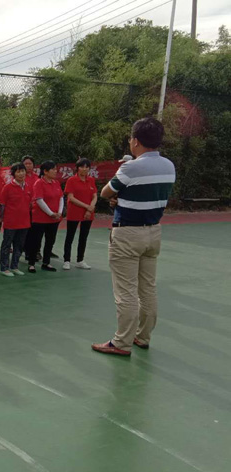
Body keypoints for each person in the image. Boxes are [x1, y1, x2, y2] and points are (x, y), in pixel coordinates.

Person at [92, 117, 175, 356]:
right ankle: (143, 336)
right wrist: (123, 198)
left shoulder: (131, 167)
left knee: (126, 291)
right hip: (153, 232)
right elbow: (146, 194)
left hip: (128, 233)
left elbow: (105, 191)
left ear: (136, 141)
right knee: (147, 288)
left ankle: (121, 343)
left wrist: (118, 195)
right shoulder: (169, 166)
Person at [25, 160, 63, 273]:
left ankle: (46, 262)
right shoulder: (39, 183)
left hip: (54, 219)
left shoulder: (56, 183)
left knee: (50, 241)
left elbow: (61, 198)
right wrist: (51, 213)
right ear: (45, 171)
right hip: (40, 218)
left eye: (56, 169)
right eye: (53, 169)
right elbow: (39, 200)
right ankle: (31, 263)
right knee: (36, 241)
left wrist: (59, 212)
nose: (55, 171)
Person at [63, 158, 97, 270]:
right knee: (70, 236)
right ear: (77, 168)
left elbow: (94, 196)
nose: (84, 169)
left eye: (87, 167)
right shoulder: (71, 180)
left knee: (83, 237)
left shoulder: (91, 180)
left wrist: (90, 208)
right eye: (82, 167)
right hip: (74, 212)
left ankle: (80, 260)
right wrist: (87, 206)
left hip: (88, 214)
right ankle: (66, 260)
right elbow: (71, 197)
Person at [0, 163, 31, 277]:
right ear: (13, 174)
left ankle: (15, 266)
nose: (21, 174)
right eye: (18, 172)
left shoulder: (28, 186)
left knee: (19, 246)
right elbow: (2, 205)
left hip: (24, 222)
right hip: (10, 222)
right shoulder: (7, 187)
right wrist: (0, 219)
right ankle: (4, 268)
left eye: (23, 171)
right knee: (7, 245)